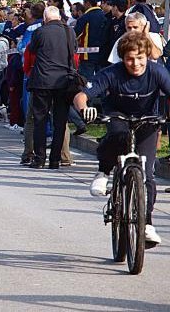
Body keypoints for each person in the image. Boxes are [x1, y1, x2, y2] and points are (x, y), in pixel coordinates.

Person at [74, 31, 169, 246]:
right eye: (129, 59)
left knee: (148, 175)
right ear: (122, 58)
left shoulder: (157, 72)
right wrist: (84, 108)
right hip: (118, 117)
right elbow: (81, 96)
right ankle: (104, 171)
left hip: (148, 121)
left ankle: (146, 223)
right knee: (117, 134)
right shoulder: (112, 73)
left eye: (139, 58)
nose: (135, 63)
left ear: (147, 56)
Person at [24, 6, 75, 169]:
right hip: (63, 81)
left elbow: (32, 49)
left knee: (40, 119)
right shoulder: (69, 31)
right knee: (60, 121)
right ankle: (55, 160)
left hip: (43, 81)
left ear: (45, 19)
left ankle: (39, 159)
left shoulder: (40, 32)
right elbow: (74, 50)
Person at [73, 0, 108, 80]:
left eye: (84, 3)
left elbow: (75, 35)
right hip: (102, 55)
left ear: (88, 3)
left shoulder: (85, 18)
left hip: (87, 56)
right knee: (101, 82)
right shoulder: (105, 16)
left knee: (85, 82)